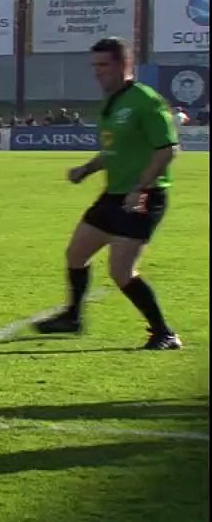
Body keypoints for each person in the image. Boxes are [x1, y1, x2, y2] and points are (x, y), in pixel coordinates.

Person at [34, 38, 182, 350]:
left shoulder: (146, 101)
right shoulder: (111, 102)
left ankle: (164, 333)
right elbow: (114, 150)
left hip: (144, 196)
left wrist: (140, 188)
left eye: (104, 65)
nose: (97, 72)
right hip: (114, 195)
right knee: (76, 254)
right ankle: (72, 318)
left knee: (121, 271)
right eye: (95, 66)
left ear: (124, 65)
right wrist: (87, 169)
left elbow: (168, 150)